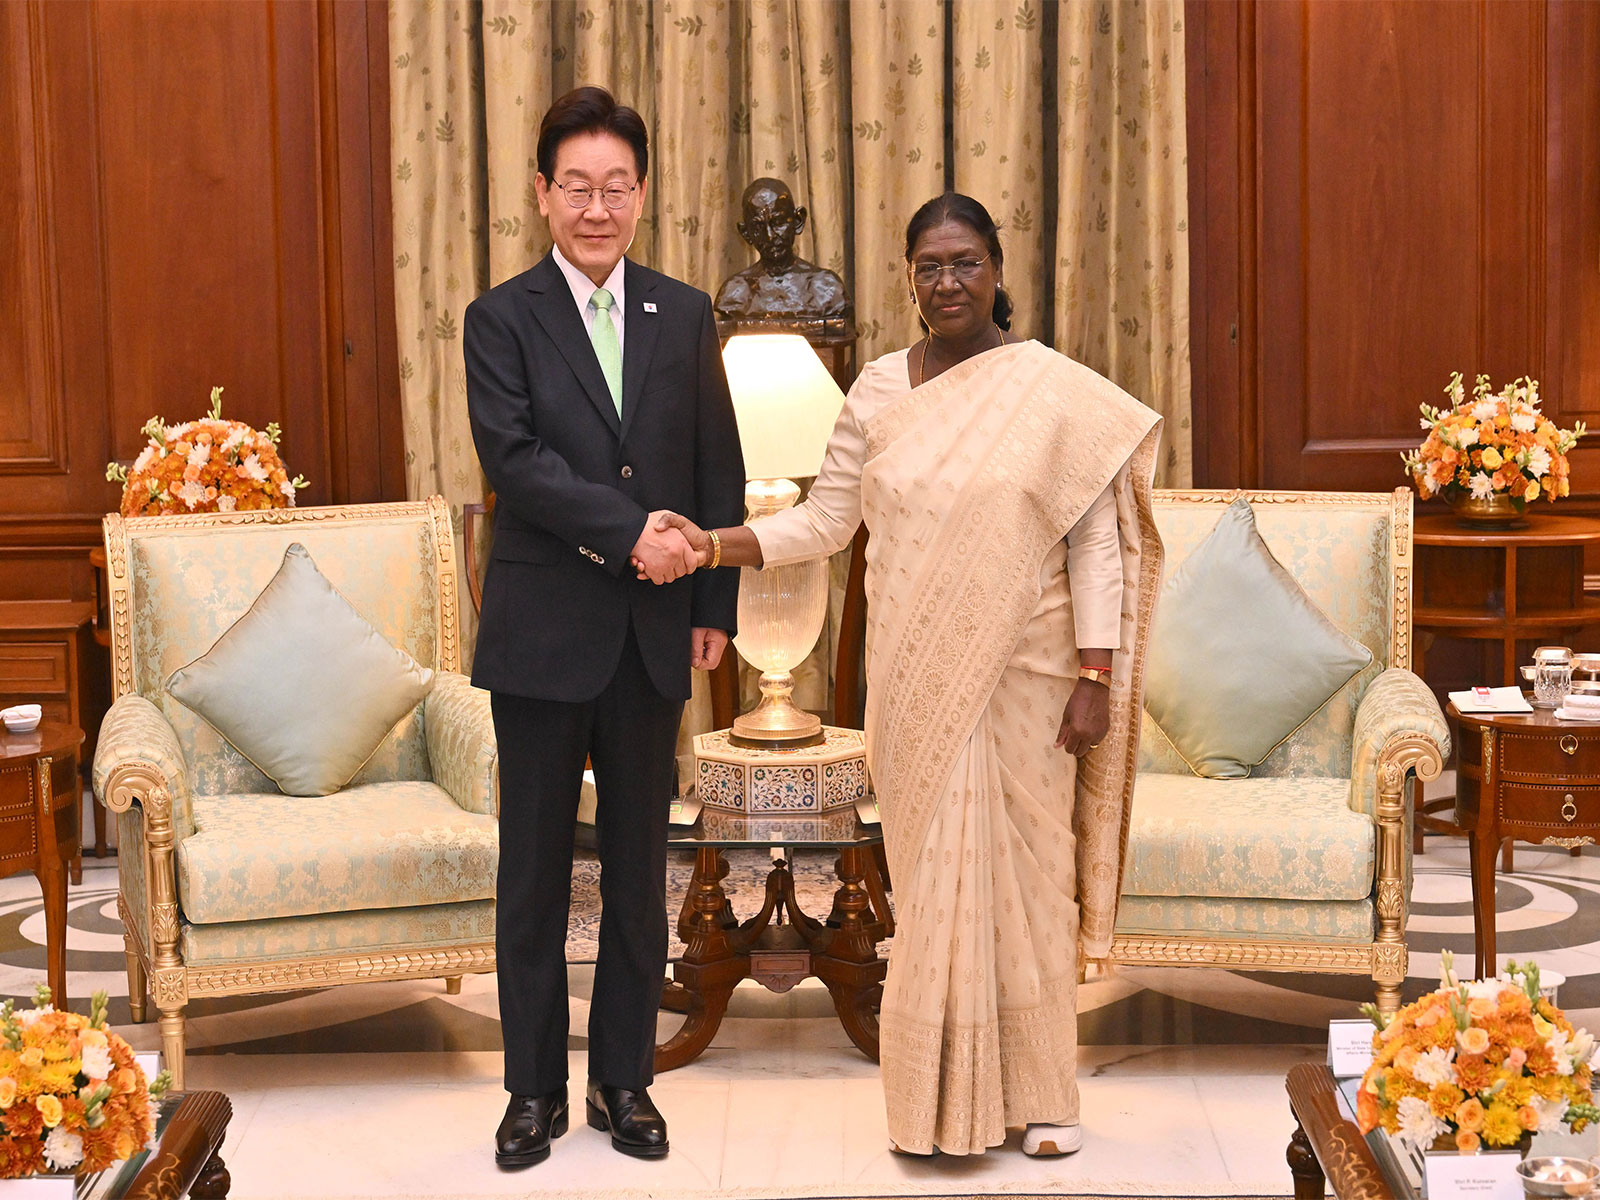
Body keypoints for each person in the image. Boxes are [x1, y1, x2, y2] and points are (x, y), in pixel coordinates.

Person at [650, 193, 1164, 1157]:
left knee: (1032, 882)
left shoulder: (1054, 393)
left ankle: (1044, 1098)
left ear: (998, 270)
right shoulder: (881, 390)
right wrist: (714, 543)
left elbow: (1095, 540)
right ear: (910, 280)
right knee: (930, 886)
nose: (948, 282)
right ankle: (937, 1103)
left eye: (965, 262)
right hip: (917, 678)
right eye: (929, 267)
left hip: (1031, 674)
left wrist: (1097, 673)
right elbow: (826, 522)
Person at [464, 86, 745, 1168]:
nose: (596, 208)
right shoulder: (501, 318)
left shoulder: (685, 312)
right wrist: (634, 534)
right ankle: (531, 1089)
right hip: (541, 634)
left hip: (652, 632)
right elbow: (517, 463)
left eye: (615, 187)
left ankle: (623, 1080)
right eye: (576, 187)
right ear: (542, 193)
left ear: (642, 193)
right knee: (534, 874)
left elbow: (714, 458)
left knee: (636, 872)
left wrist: (711, 601)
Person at [713, 178, 852, 324]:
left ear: (798, 221)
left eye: (778, 222)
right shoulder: (735, 293)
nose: (770, 236)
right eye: (758, 227)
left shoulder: (827, 288)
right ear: (746, 233)